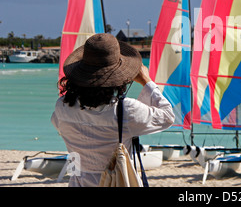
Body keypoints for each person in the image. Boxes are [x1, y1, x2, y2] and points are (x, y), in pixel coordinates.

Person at [51, 33, 175, 187]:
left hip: (79, 182)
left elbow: (58, 124)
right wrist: (146, 81)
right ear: (118, 77)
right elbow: (167, 116)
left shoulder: (62, 106)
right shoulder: (125, 110)